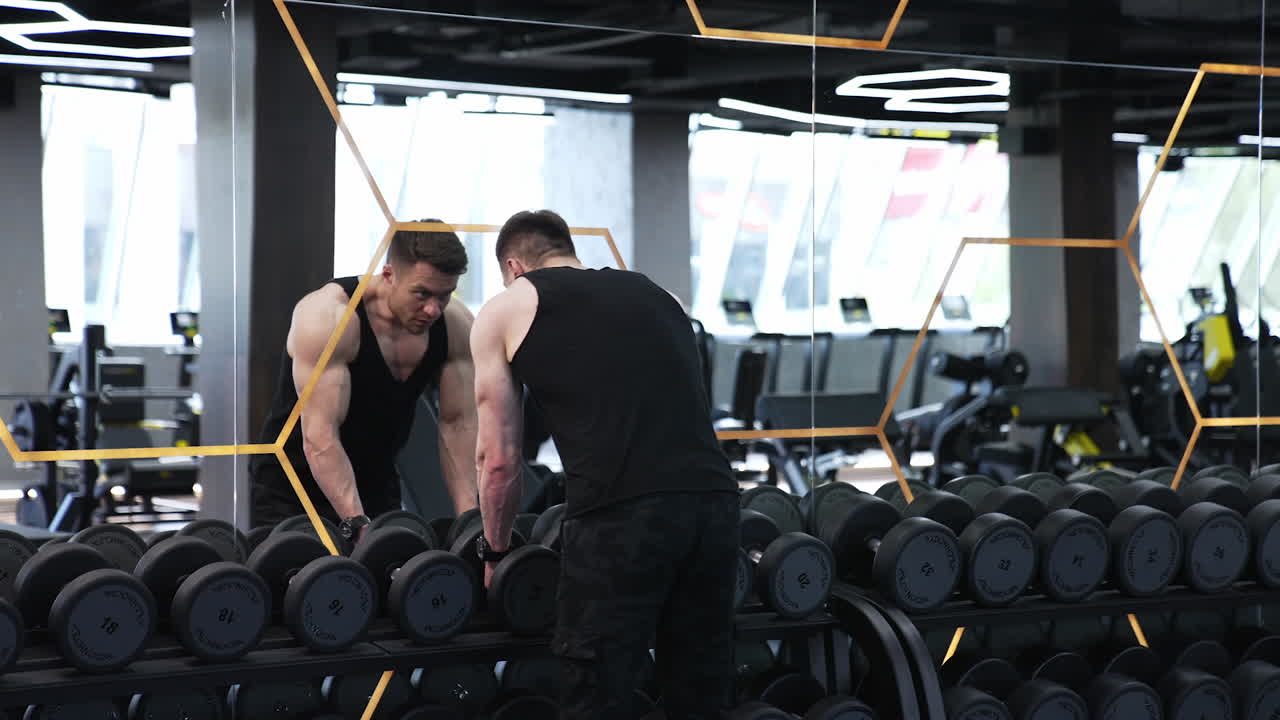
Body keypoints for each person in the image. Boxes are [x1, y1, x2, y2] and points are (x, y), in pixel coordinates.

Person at [470, 209, 738, 719]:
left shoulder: (507, 307)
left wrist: (495, 552)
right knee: (702, 692)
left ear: (514, 266)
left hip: (619, 516)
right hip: (715, 506)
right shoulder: (659, 296)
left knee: (596, 695)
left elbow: (500, 460)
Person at [250, 220, 479, 542]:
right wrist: (357, 525)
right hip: (293, 488)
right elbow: (319, 438)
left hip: (376, 480)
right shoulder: (329, 317)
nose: (432, 309)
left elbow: (458, 425)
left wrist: (469, 520)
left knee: (389, 585)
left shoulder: (455, 325)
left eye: (445, 295)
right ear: (388, 274)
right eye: (422, 293)